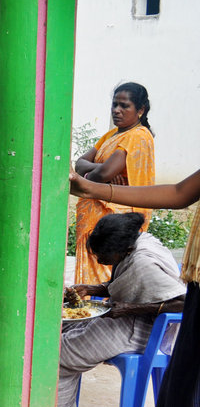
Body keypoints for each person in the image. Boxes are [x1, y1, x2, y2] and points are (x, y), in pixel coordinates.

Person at [70, 165, 200, 407]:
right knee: (179, 402)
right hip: (197, 292)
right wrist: (89, 187)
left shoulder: (143, 261)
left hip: (165, 315)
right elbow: (178, 192)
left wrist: (132, 309)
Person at [57, 212, 184, 407]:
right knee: (60, 330)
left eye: (104, 255)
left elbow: (184, 302)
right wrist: (92, 288)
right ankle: (60, 406)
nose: (99, 260)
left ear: (124, 250)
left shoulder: (143, 263)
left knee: (57, 353)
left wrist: (131, 308)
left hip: (143, 330)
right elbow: (127, 281)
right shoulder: (136, 241)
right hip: (127, 317)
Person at [73, 82, 155, 285]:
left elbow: (101, 174)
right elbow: (79, 163)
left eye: (124, 106)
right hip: (95, 218)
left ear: (140, 110)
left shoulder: (137, 135)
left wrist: (97, 171)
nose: (116, 110)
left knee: (107, 277)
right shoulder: (112, 135)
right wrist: (98, 168)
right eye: (114, 104)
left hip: (114, 223)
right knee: (89, 279)